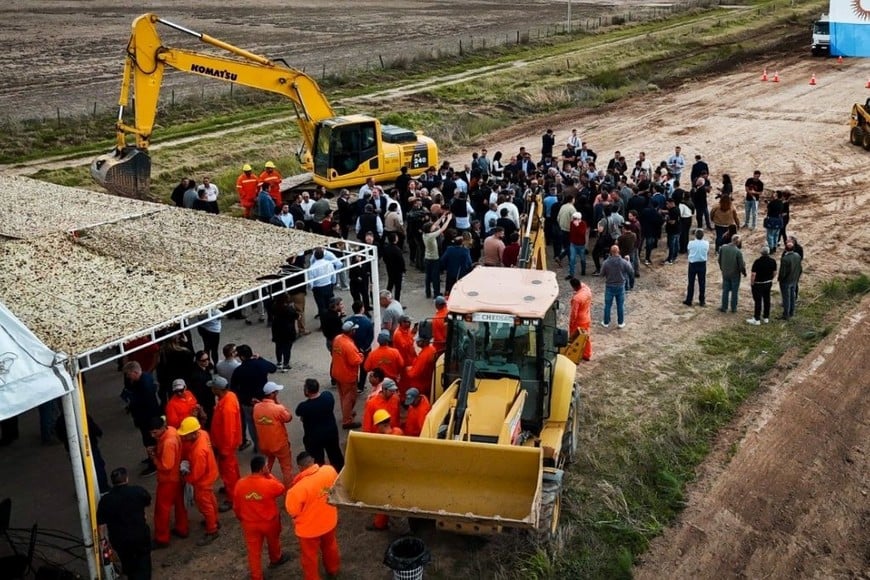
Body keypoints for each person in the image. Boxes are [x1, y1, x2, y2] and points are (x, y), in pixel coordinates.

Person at [233, 456, 291, 580]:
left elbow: (236, 506)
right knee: (273, 541)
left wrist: (241, 518)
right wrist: (269, 475)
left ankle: (256, 576)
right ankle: (276, 559)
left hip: (249, 524)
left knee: (253, 552)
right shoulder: (268, 483)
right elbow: (281, 488)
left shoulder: (240, 484)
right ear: (263, 468)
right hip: (269, 522)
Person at [285, 452, 341, 580]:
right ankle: (333, 570)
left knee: (310, 557)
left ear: (300, 467)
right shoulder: (329, 470)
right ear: (313, 461)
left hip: (309, 531)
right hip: (329, 521)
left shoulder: (296, 489)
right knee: (330, 546)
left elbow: (292, 511)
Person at [97, 468, 152, 580]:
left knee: (127, 561)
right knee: (144, 562)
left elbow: (101, 523)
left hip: (120, 540)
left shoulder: (106, 500)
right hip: (140, 535)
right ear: (127, 478)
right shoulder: (138, 491)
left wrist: (102, 541)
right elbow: (147, 501)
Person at [177, 416, 220, 545]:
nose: (183, 437)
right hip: (211, 474)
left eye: (185, 435)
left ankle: (212, 530)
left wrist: (185, 478)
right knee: (211, 500)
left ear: (193, 434)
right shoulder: (203, 434)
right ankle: (214, 520)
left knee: (205, 505)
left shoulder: (198, 452)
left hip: (203, 481)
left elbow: (196, 475)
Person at [147, 417, 188, 548]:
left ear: (162, 428)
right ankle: (182, 528)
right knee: (180, 504)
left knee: (162, 509)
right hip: (177, 476)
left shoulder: (168, 443)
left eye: (155, 432)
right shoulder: (171, 431)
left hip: (168, 480)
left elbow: (166, 465)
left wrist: (153, 457)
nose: (153, 436)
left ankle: (162, 538)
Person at [230, 345, 278, 455]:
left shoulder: (238, 371)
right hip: (263, 401)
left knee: (252, 424)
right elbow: (273, 368)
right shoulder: (260, 364)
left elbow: (233, 388)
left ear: (241, 357)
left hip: (249, 403)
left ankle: (258, 446)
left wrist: (246, 398)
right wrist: (260, 358)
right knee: (267, 423)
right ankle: (270, 445)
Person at [295, 379, 344, 472]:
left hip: (314, 438)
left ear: (306, 391)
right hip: (330, 433)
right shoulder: (328, 396)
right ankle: (340, 472)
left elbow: (299, 413)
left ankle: (320, 476)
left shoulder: (304, 406)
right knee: (335, 454)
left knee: (317, 460)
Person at [121, 361, 161, 477]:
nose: (128, 377)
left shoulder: (144, 385)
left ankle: (154, 463)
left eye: (129, 374)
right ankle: (151, 458)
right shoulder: (145, 379)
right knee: (148, 440)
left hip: (147, 418)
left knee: (149, 441)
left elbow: (141, 403)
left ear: (135, 372)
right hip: (147, 417)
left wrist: (132, 400)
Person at [208, 376, 241, 513]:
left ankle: (232, 498)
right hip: (227, 444)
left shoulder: (227, 407)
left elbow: (229, 430)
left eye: (212, 387)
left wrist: (225, 450)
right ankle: (235, 487)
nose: (211, 389)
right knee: (232, 468)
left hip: (225, 445)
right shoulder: (229, 396)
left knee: (228, 472)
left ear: (217, 389)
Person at [253, 382, 294, 487]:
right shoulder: (278, 409)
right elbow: (288, 418)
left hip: (264, 445)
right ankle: (289, 489)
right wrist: (279, 404)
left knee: (267, 465)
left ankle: (263, 484)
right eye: (276, 392)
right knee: (286, 468)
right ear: (272, 394)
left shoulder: (256, 407)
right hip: (279, 444)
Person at [331, 321, 364, 429]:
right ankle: (347, 421)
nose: (355, 331)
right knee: (350, 398)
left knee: (343, 396)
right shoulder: (348, 345)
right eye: (354, 329)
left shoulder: (337, 339)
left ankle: (347, 413)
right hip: (347, 376)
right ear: (350, 331)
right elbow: (355, 361)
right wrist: (361, 356)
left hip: (337, 373)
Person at [600, 245, 634, 329]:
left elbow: (601, 274)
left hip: (609, 286)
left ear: (610, 252)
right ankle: (621, 322)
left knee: (608, 305)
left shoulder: (606, 262)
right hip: (620, 286)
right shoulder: (623, 262)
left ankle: (606, 322)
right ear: (618, 251)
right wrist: (628, 261)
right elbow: (631, 271)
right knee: (620, 305)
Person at [747, 246, 777, 325]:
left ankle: (757, 319)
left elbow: (753, 274)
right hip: (768, 283)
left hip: (758, 284)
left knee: (758, 301)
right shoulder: (773, 261)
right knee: (767, 300)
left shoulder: (757, 262)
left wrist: (752, 282)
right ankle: (766, 317)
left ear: (761, 253)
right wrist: (770, 278)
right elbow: (774, 272)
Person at [717, 235, 746, 313]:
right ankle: (733, 308)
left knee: (725, 290)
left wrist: (722, 268)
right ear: (739, 242)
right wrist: (744, 272)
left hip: (725, 272)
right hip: (735, 274)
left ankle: (724, 307)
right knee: (734, 291)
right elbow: (741, 265)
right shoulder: (738, 252)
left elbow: (719, 260)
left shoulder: (723, 248)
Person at [270, 294, 298, 371]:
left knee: (278, 347)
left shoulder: (275, 307)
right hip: (288, 331)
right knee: (287, 349)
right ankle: (285, 364)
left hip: (277, 330)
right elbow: (297, 316)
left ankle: (279, 362)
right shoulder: (289, 309)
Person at [568, 278, 593, 361]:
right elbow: (582, 284)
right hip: (586, 317)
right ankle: (587, 354)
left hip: (579, 321)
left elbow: (574, 313)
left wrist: (571, 322)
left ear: (574, 287)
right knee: (586, 337)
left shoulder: (576, 299)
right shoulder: (587, 289)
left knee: (574, 338)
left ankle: (573, 354)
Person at [777, 240, 803, 320]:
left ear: (785, 249)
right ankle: (791, 312)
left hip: (786, 281)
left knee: (786, 298)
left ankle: (786, 314)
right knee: (792, 296)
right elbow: (800, 268)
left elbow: (782, 272)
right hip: (794, 279)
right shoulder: (797, 256)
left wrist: (780, 279)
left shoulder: (785, 259)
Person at [684, 229, 710, 307]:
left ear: (695, 235)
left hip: (693, 263)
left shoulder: (691, 243)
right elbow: (707, 252)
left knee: (691, 282)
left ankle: (689, 300)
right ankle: (702, 300)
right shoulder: (706, 243)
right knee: (702, 282)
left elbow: (688, 252)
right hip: (702, 263)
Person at [382, 232, 406, 302]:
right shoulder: (397, 249)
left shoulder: (386, 248)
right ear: (395, 239)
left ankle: (386, 299)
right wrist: (403, 269)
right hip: (397, 271)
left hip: (389, 269)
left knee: (390, 284)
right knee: (398, 287)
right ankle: (396, 301)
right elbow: (401, 261)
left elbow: (384, 259)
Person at [567, 212, 588, 278]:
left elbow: (582, 233)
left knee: (583, 259)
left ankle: (583, 270)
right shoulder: (572, 223)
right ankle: (571, 274)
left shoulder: (583, 224)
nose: (573, 220)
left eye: (574, 218)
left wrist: (577, 226)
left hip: (581, 245)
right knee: (572, 259)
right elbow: (571, 232)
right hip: (573, 244)